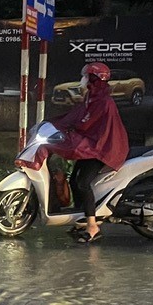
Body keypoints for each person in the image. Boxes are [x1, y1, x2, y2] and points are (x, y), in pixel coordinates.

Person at [48, 62, 128, 243]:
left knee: (83, 183)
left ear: (94, 79)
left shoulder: (103, 101)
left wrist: (69, 127)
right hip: (92, 147)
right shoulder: (92, 97)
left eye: (86, 77)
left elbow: (85, 122)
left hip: (103, 148)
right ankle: (81, 220)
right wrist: (56, 123)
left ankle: (93, 227)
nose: (82, 80)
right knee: (73, 181)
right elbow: (77, 116)